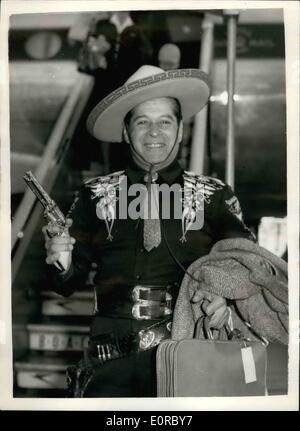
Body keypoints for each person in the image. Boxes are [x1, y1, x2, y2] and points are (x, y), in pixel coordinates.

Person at [44, 65, 255, 397]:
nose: (154, 132)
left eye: (165, 122)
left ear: (180, 130)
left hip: (189, 363)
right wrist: (60, 259)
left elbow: (248, 265)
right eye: (142, 122)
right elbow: (66, 284)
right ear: (127, 132)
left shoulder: (214, 195)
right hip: (107, 371)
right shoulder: (93, 194)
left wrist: (224, 300)